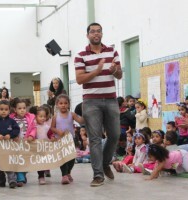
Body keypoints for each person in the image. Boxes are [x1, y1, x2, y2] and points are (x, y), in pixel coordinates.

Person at [74, 22, 122, 187]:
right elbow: (80, 79)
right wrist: (96, 71)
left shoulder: (112, 51)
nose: (96, 34)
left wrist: (115, 70)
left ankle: (104, 162)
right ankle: (98, 175)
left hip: (111, 100)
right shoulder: (81, 56)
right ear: (87, 35)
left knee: (115, 134)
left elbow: (120, 76)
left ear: (102, 34)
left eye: (99, 31)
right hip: (91, 102)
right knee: (94, 139)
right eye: (93, 31)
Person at [51, 94, 83, 184]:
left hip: (70, 140)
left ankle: (68, 172)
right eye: (61, 103)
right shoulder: (55, 116)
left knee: (71, 158)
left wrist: (85, 114)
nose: (63, 105)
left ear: (68, 104)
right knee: (63, 158)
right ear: (57, 105)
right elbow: (52, 127)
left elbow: (80, 121)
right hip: (60, 140)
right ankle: (64, 175)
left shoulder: (71, 114)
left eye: (65, 103)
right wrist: (57, 131)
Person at [0, 100, 20, 189]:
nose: (3, 111)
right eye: (1, 109)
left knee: (9, 164)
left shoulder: (12, 121)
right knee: (0, 167)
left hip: (9, 149)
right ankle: (1, 181)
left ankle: (12, 180)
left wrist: (10, 135)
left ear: (9, 111)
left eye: (6, 109)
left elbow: (16, 130)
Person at [9, 98, 36, 187]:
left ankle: (22, 175)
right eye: (19, 108)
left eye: (24, 108)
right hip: (15, 145)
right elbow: (9, 129)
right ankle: (20, 178)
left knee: (26, 161)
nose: (22, 110)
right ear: (15, 109)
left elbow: (33, 128)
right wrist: (13, 136)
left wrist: (31, 136)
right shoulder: (11, 119)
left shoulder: (30, 118)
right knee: (18, 161)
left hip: (26, 144)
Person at [27, 106, 54, 185]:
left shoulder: (47, 127)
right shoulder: (34, 126)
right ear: (36, 116)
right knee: (39, 163)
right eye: (40, 116)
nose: (43, 118)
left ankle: (47, 169)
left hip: (46, 148)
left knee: (46, 161)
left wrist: (52, 137)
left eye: (44, 116)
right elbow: (32, 134)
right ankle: (41, 176)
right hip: (38, 148)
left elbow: (50, 134)